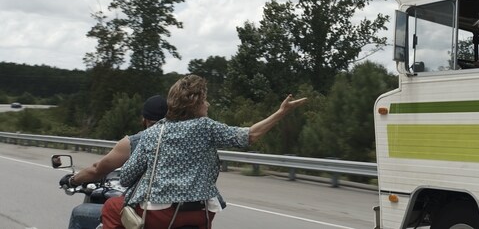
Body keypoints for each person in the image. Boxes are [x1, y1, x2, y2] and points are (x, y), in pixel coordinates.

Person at [101, 74, 307, 229]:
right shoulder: (207, 127)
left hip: (159, 215)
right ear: (194, 105)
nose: (207, 104)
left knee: (111, 207)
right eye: (204, 100)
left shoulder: (154, 132)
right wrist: (281, 113)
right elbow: (249, 135)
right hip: (202, 214)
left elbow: (127, 177)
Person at [58, 95, 168, 229]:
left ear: (144, 119)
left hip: (147, 211)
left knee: (80, 213)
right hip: (178, 212)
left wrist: (72, 180)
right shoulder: (183, 141)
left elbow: (98, 169)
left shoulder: (138, 141)